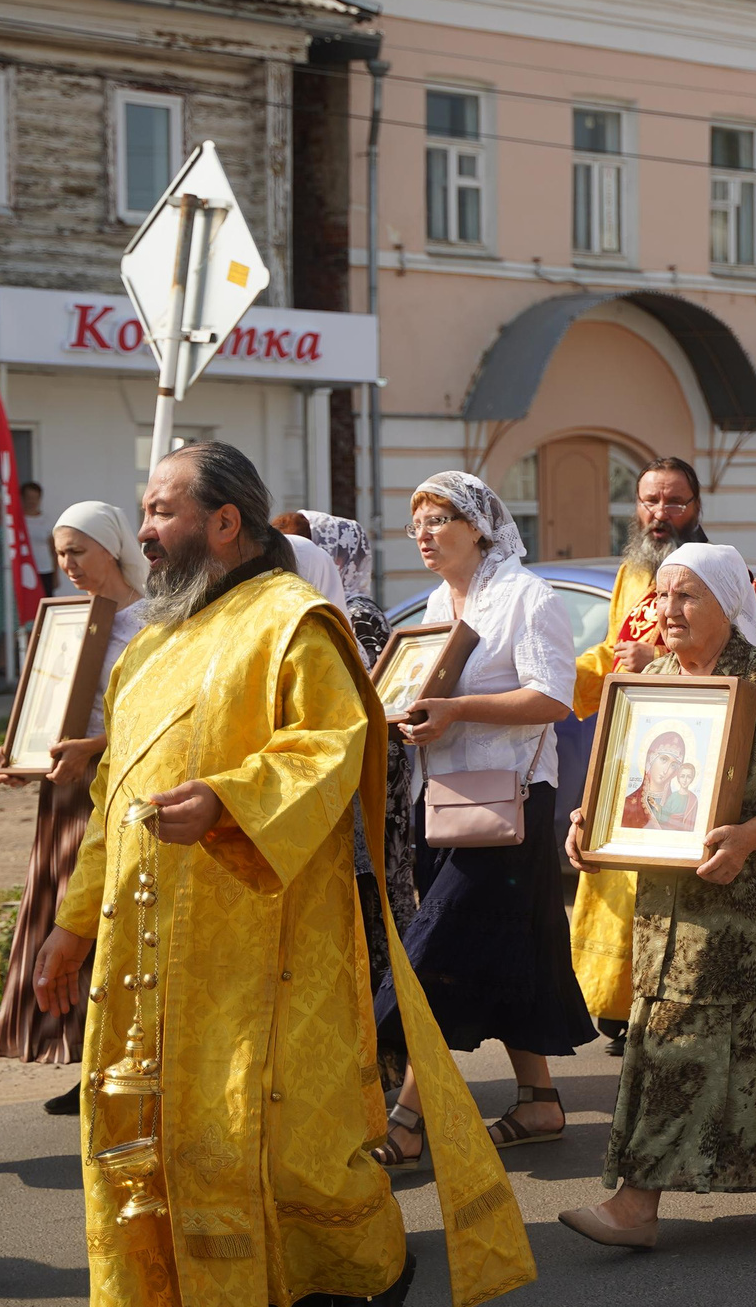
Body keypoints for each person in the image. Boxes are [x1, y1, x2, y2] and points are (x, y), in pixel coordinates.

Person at [25, 443, 529, 1307]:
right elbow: (117, 794)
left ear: (225, 523)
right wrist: (70, 925)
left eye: (163, 510)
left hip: (263, 941)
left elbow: (333, 749)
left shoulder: (292, 621)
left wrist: (225, 797)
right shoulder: (152, 642)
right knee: (160, 1152)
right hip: (148, 953)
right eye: (146, 509)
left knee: (261, 1148)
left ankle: (368, 1275)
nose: (149, 528)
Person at [558, 543, 756, 1249]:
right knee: (679, 1035)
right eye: (663, 597)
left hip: (751, 906)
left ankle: (636, 1205)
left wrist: (747, 836)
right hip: (669, 906)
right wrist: (587, 820)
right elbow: (621, 784)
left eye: (687, 597)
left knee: (754, 1042)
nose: (669, 611)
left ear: (726, 603)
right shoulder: (652, 678)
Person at [371, 472, 589, 1164]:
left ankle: (409, 1115)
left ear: (478, 527)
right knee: (511, 954)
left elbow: (555, 697)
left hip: (511, 806)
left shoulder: (527, 597)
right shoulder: (437, 604)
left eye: (438, 520)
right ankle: (540, 1100)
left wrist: (457, 710)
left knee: (436, 955)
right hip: (443, 803)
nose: (424, 535)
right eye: (417, 524)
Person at [0, 503, 148, 1111]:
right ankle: (88, 1065)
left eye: (78, 550)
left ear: (111, 548)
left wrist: (96, 747)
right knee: (63, 921)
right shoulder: (67, 621)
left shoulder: (152, 620)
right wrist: (20, 752)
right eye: (59, 552)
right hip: (66, 793)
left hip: (121, 788)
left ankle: (126, 1061)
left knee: (113, 923)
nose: (67, 564)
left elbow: (161, 717)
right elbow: (46, 705)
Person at [569, 457, 710, 1056]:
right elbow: (616, 646)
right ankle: (617, 1000)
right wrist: (562, 681)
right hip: (631, 739)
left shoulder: (712, 570)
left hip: (689, 740)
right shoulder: (632, 572)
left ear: (696, 507)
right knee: (618, 875)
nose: (660, 514)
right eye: (650, 501)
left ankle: (663, 1001)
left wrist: (653, 665)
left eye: (674, 502)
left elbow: (726, 652)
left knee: (668, 882)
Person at [278, 510, 418, 1007]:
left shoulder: (352, 615)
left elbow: (373, 701)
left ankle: (386, 1049)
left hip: (359, 787)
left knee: (368, 914)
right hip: (328, 792)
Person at [21, 482, 56, 598]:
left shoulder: (46, 520)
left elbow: (53, 549)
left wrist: (56, 575)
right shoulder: (17, 520)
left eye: (35, 498)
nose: (32, 501)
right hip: (24, 568)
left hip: (44, 569)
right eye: (29, 498)